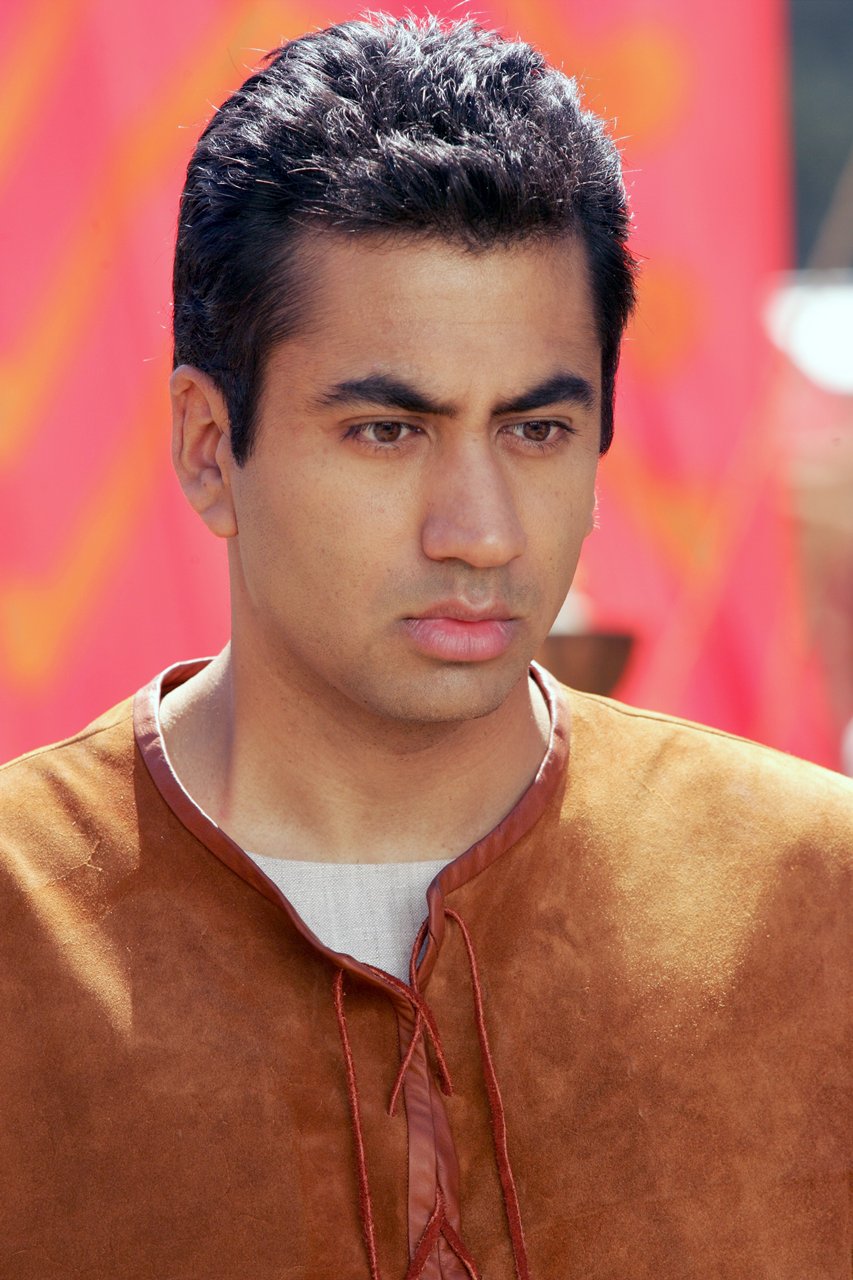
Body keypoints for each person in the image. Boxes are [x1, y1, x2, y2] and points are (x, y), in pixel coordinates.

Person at [1, 15, 850, 1279]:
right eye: (388, 432)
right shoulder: (25, 919)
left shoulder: (813, 905)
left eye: (535, 430)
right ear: (208, 445)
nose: (480, 531)